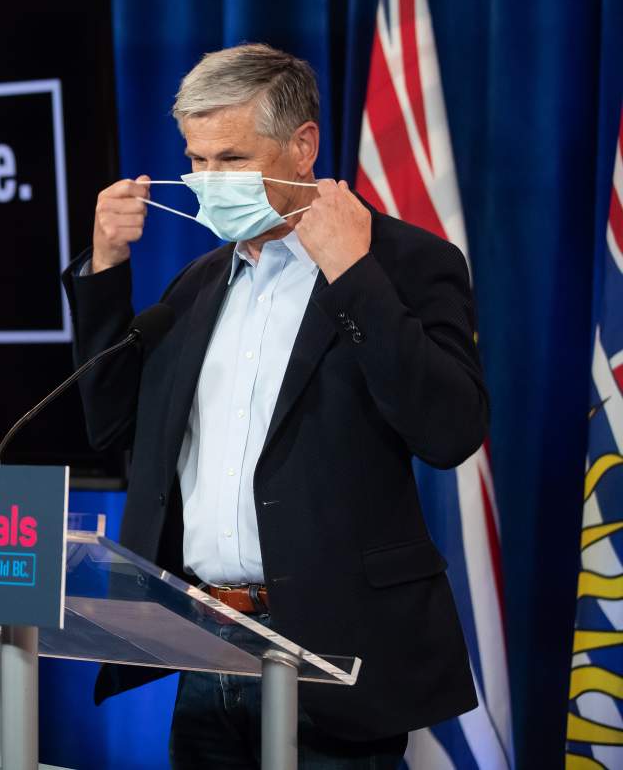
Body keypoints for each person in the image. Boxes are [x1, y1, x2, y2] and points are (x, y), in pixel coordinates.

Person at [61, 43, 484, 768]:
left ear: (302, 146)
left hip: (335, 663)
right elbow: (109, 424)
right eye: (195, 160)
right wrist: (104, 271)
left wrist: (353, 274)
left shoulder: (407, 264)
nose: (206, 181)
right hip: (206, 652)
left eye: (230, 159)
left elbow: (449, 430)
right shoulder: (195, 286)